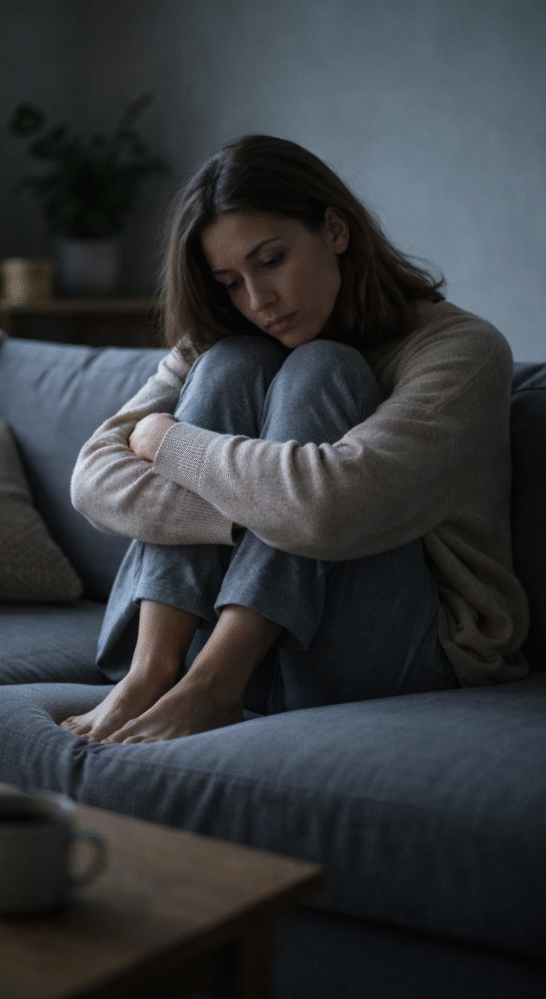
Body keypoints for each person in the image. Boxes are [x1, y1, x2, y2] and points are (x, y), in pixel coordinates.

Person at [61, 134, 529, 745]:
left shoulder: (460, 351)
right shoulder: (222, 338)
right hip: (222, 641)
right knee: (233, 363)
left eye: (272, 260)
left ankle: (214, 687)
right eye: (230, 280)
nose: (258, 301)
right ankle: (153, 673)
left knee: (323, 368)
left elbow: (333, 506)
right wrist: (260, 505)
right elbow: (92, 479)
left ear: (334, 230)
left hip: (392, 655)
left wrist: (167, 441)